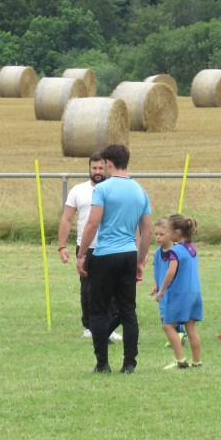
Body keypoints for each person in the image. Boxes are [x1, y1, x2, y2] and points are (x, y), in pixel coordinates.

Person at [77, 143, 152, 374]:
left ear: (108, 163)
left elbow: (92, 223)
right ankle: (129, 364)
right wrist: (140, 260)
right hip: (129, 254)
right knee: (128, 310)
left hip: (105, 255)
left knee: (98, 311)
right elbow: (147, 230)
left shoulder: (102, 189)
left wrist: (82, 254)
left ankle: (102, 364)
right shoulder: (140, 191)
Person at [56, 152, 121, 343]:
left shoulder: (115, 190)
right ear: (89, 169)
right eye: (94, 168)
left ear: (107, 167)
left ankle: (110, 326)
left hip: (111, 246)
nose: (98, 171)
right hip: (86, 247)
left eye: (101, 168)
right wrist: (62, 246)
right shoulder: (78, 190)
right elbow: (67, 219)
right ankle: (89, 327)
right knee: (88, 289)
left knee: (112, 289)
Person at [151, 214, 203, 369]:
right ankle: (197, 362)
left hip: (182, 294)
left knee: (168, 325)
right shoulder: (192, 248)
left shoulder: (175, 251)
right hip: (195, 293)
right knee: (190, 327)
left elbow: (171, 271)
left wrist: (161, 290)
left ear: (177, 233)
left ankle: (181, 360)